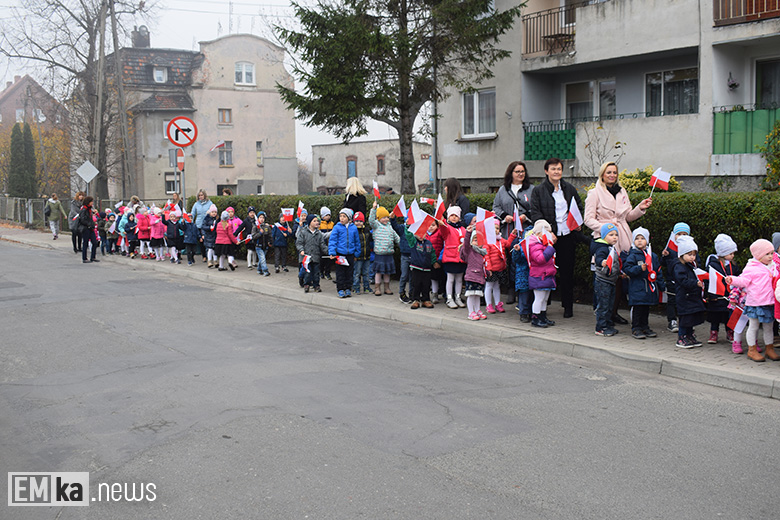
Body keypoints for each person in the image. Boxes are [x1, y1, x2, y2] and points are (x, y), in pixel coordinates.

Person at [584, 161, 653, 324]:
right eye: (609, 172)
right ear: (602, 174)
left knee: (621, 276)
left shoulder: (622, 191)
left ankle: (613, 312)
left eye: (614, 172)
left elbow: (627, 216)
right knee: (604, 275)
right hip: (604, 238)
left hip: (623, 236)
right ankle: (601, 313)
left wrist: (640, 207)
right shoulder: (594, 193)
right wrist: (606, 229)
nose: (612, 175)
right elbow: (587, 219)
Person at [529, 158, 587, 318]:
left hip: (567, 235)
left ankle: (568, 306)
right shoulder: (539, 190)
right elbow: (535, 213)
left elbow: (578, 207)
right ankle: (542, 308)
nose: (557, 172)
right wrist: (547, 232)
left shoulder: (569, 189)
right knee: (546, 272)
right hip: (549, 238)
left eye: (559, 169)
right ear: (546, 171)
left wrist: (577, 221)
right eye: (553, 169)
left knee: (568, 272)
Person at [727, 239, 779, 362]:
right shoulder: (751, 268)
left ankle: (769, 348)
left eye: (772, 253)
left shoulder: (773, 267)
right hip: (755, 303)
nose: (771, 256)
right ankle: (752, 350)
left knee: (769, 327)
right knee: (753, 326)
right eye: (767, 254)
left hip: (769, 302)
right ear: (758, 255)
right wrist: (732, 280)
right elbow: (743, 281)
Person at [623, 227, 665, 339]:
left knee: (646, 309)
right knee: (638, 309)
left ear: (647, 240)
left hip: (649, 289)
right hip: (637, 288)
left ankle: (645, 327)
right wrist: (638, 268)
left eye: (642, 238)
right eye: (637, 238)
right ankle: (636, 328)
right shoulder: (632, 255)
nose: (640, 241)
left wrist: (662, 286)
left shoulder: (653, 256)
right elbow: (627, 269)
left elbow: (658, 271)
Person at [705, 234, 741, 345]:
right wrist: (710, 295)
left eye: (733, 253)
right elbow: (709, 280)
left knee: (727, 315)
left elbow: (738, 276)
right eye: (730, 253)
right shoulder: (713, 264)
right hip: (717, 295)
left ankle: (730, 332)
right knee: (715, 315)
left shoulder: (733, 265)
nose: (732, 256)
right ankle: (714, 332)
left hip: (729, 296)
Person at [672, 236, 706, 349]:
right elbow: (682, 281)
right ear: (682, 254)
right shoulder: (679, 266)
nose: (692, 257)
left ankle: (690, 335)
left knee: (691, 317)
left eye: (694, 255)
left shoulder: (691, 266)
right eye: (689, 255)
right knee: (685, 318)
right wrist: (695, 283)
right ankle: (681, 337)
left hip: (691, 296)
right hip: (684, 296)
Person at [661, 222, 692, 333]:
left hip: (684, 280)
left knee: (685, 301)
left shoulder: (690, 248)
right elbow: (663, 264)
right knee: (672, 300)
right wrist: (664, 256)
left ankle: (685, 321)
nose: (682, 237)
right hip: (672, 279)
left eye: (685, 234)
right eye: (679, 234)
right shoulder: (670, 248)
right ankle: (672, 320)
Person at [591, 223, 621, 337]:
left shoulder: (611, 248)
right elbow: (598, 258)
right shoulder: (602, 248)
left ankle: (607, 324)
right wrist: (602, 262)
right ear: (603, 236)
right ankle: (600, 327)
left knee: (609, 304)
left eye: (616, 235)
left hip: (611, 281)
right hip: (603, 281)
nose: (614, 237)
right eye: (611, 235)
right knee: (603, 305)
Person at [527, 219, 557, 328]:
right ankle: (536, 318)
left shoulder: (543, 244)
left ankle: (543, 316)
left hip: (546, 275)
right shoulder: (534, 244)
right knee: (539, 298)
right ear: (540, 233)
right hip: (539, 276)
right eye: (548, 232)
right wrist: (550, 248)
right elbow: (540, 259)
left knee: (545, 298)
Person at [492, 161, 534, 239]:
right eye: (517, 172)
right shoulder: (503, 189)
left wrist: (526, 216)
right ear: (511, 173)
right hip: (508, 231)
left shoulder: (531, 189)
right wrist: (505, 216)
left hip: (527, 229)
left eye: (522, 171)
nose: (520, 174)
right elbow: (496, 207)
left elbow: (536, 207)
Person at [437, 207, 468, 309]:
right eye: (452, 215)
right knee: (450, 279)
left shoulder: (463, 229)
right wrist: (442, 222)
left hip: (461, 258)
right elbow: (443, 229)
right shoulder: (447, 227)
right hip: (450, 257)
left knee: (459, 279)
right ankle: (449, 298)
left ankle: (458, 297)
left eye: (456, 216)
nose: (454, 218)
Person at [484, 218, 516, 313]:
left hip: (499, 268)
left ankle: (498, 303)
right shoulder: (487, 241)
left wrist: (512, 235)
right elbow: (486, 256)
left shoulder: (500, 240)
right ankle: (488, 304)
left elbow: (508, 244)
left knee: (497, 286)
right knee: (489, 286)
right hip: (491, 269)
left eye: (497, 228)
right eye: (493, 228)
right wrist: (488, 268)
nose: (495, 230)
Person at [369, 202, 401, 296]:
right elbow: (371, 220)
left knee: (387, 272)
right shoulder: (376, 226)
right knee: (378, 272)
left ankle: (387, 287)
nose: (386, 219)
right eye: (383, 217)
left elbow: (396, 237)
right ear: (378, 218)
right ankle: (377, 288)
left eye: (387, 217)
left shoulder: (390, 227)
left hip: (389, 254)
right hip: (379, 254)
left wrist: (401, 245)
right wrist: (373, 209)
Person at [328, 208, 360, 297]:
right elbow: (332, 241)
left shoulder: (353, 228)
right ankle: (340, 289)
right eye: (340, 216)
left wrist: (357, 253)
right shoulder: (337, 227)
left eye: (344, 216)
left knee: (349, 273)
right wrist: (332, 252)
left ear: (349, 218)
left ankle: (348, 288)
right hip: (340, 254)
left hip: (350, 254)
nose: (341, 218)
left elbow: (357, 241)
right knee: (340, 272)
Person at [405, 221, 437, 309]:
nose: (421, 235)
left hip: (427, 268)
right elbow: (408, 235)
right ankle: (415, 300)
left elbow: (432, 253)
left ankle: (425, 300)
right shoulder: (414, 242)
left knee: (426, 285)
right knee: (416, 284)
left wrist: (434, 262)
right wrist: (408, 225)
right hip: (416, 268)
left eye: (423, 233)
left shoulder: (428, 243)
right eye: (419, 233)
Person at [461, 220, 488, 320]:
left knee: (478, 295)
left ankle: (477, 310)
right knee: (471, 295)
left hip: (479, 277)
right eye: (475, 240)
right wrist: (468, 233)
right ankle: (470, 312)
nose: (477, 242)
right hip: (471, 276)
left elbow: (484, 264)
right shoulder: (469, 251)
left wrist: (487, 271)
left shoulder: (483, 253)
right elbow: (466, 245)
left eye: (479, 240)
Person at [296, 213, 328, 293]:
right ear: (310, 222)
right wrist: (301, 250)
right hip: (306, 257)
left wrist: (329, 252)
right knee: (307, 272)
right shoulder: (303, 232)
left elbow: (322, 245)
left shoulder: (319, 234)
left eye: (317, 221)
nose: (317, 222)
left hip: (316, 256)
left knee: (316, 272)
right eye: (314, 221)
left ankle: (316, 285)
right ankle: (306, 284)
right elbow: (299, 243)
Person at [511, 228, 533, 322]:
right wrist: (517, 251)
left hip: (533, 275)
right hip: (522, 275)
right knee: (524, 295)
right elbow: (516, 259)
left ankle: (531, 312)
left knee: (532, 295)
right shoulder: (521, 245)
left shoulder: (535, 246)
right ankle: (523, 313)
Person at [391, 214, 413, 303]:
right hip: (405, 256)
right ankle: (402, 293)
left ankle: (412, 293)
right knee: (404, 275)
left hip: (414, 256)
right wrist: (392, 218)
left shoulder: (416, 229)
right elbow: (394, 226)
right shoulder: (402, 228)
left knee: (412, 277)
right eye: (408, 218)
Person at [352, 212, 373, 295]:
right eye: (356, 221)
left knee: (366, 273)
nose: (358, 223)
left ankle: (366, 287)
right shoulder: (353, 231)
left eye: (360, 221)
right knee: (356, 273)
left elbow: (370, 240)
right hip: (357, 256)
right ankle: (356, 287)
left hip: (366, 255)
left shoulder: (367, 230)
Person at [189, 189, 212, 263]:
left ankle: (209, 255)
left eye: (202, 195)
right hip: (198, 224)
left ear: (204, 195)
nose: (200, 197)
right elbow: (193, 213)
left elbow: (213, 210)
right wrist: (190, 221)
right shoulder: (196, 204)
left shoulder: (209, 203)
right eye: (199, 195)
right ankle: (204, 256)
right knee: (201, 241)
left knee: (207, 240)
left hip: (206, 224)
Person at [77, 196, 99, 263]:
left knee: (94, 242)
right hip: (86, 228)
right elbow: (82, 219)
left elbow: (90, 217)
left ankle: (93, 257)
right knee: (85, 243)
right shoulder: (84, 209)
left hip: (91, 228)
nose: (92, 203)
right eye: (91, 202)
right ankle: (84, 258)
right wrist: (88, 224)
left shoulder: (90, 209)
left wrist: (93, 213)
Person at [252, 211, 272, 276]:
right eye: (260, 217)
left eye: (263, 217)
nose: (262, 219)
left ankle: (259, 269)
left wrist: (270, 242)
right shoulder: (255, 226)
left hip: (265, 245)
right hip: (258, 246)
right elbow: (253, 236)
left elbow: (270, 235)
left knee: (262, 259)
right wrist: (260, 233)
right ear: (258, 218)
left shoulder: (266, 227)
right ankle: (265, 271)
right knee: (262, 258)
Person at [320, 207, 335, 281]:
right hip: (323, 244)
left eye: (329, 215)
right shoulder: (320, 224)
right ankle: (321, 272)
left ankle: (327, 272)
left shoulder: (332, 224)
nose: (328, 217)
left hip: (330, 244)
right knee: (322, 260)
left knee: (329, 260)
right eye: (326, 215)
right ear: (322, 216)